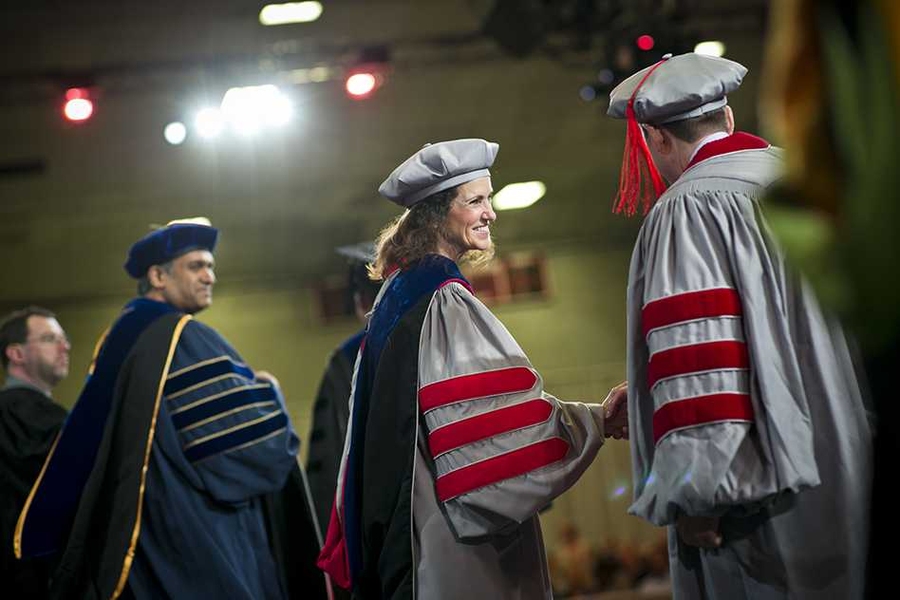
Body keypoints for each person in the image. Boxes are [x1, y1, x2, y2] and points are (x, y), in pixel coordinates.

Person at [607, 52, 872, 598]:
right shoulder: (807, 183)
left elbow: (704, 362)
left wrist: (699, 497)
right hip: (857, 452)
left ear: (655, 137)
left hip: (769, 495)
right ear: (728, 119)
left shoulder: (690, 207)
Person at [316, 138, 629, 599]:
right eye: (476, 201)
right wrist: (596, 420)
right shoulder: (443, 298)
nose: (491, 213)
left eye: (490, 199)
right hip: (446, 532)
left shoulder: (398, 292)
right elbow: (494, 437)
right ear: (438, 214)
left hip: (413, 515)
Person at [15, 218, 326, 599]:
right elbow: (246, 451)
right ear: (158, 277)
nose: (210, 276)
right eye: (196, 266)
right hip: (198, 542)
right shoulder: (184, 336)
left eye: (211, 266)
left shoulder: (117, 341)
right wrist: (270, 392)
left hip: (143, 543)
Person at [306, 242, 382, 536]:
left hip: (372, 526)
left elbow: (328, 464)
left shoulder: (348, 359)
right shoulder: (440, 340)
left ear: (360, 300)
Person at [1, 307, 70, 599]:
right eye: (49, 338)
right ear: (16, 354)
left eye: (64, 339)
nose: (65, 346)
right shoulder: (26, 415)